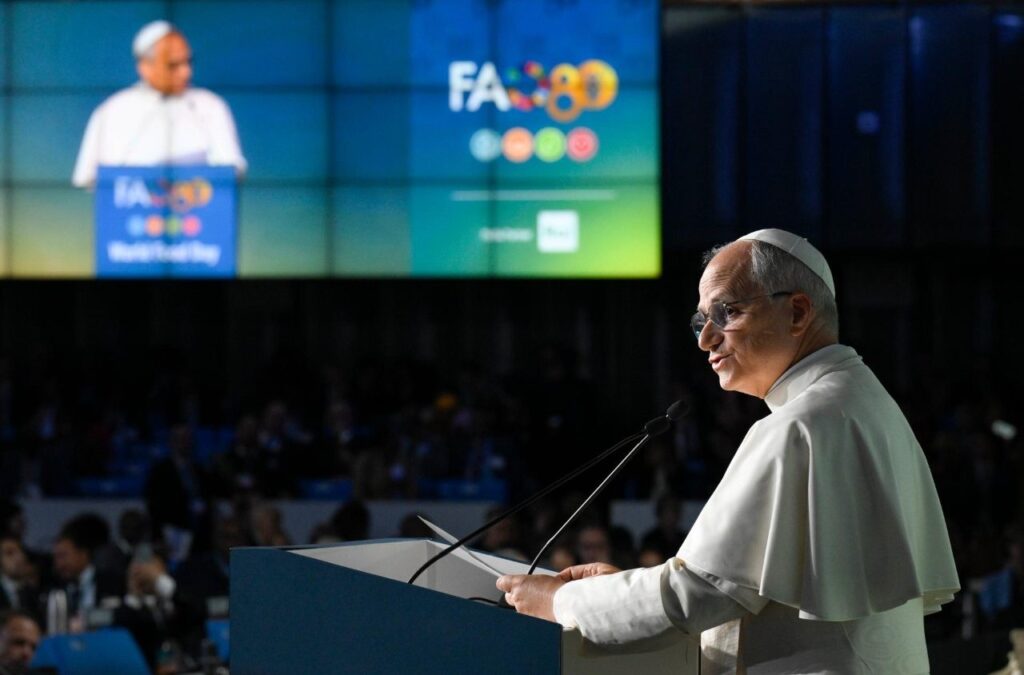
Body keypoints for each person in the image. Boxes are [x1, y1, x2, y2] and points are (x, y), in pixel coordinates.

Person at [497, 229, 960, 673]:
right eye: (701, 321)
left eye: (725, 313)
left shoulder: (800, 424)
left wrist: (559, 601)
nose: (705, 339)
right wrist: (616, 591)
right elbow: (742, 592)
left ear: (798, 312)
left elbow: (696, 594)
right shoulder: (862, 404)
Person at [71, 20, 247, 188]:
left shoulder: (210, 106)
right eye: (173, 65)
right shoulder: (112, 111)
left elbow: (232, 169)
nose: (186, 72)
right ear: (145, 67)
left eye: (187, 62)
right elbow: (89, 177)